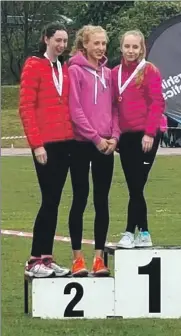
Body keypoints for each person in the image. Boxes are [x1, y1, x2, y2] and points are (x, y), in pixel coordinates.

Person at [19, 22, 79, 278]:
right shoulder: (34, 66)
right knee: (48, 201)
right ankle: (34, 260)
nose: (61, 45)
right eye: (58, 40)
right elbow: (26, 107)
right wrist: (37, 144)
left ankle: (46, 257)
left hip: (66, 141)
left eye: (65, 41)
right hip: (47, 144)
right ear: (46, 39)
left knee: (54, 202)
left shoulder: (63, 67)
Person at [68, 25, 120, 276]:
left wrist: (114, 138)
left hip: (106, 146)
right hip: (81, 144)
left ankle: (99, 258)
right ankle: (77, 259)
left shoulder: (109, 73)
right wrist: (96, 138)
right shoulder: (75, 71)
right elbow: (75, 110)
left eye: (103, 43)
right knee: (80, 198)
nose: (100, 48)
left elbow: (114, 109)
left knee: (102, 200)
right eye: (95, 43)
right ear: (84, 45)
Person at [112, 30, 165, 249]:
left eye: (135, 47)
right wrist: (115, 135)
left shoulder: (150, 70)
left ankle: (129, 232)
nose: (131, 51)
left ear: (141, 48)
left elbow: (157, 103)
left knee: (136, 185)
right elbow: (114, 106)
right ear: (121, 47)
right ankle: (143, 232)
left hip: (147, 135)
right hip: (126, 136)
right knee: (135, 186)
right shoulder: (114, 72)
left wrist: (149, 133)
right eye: (127, 46)